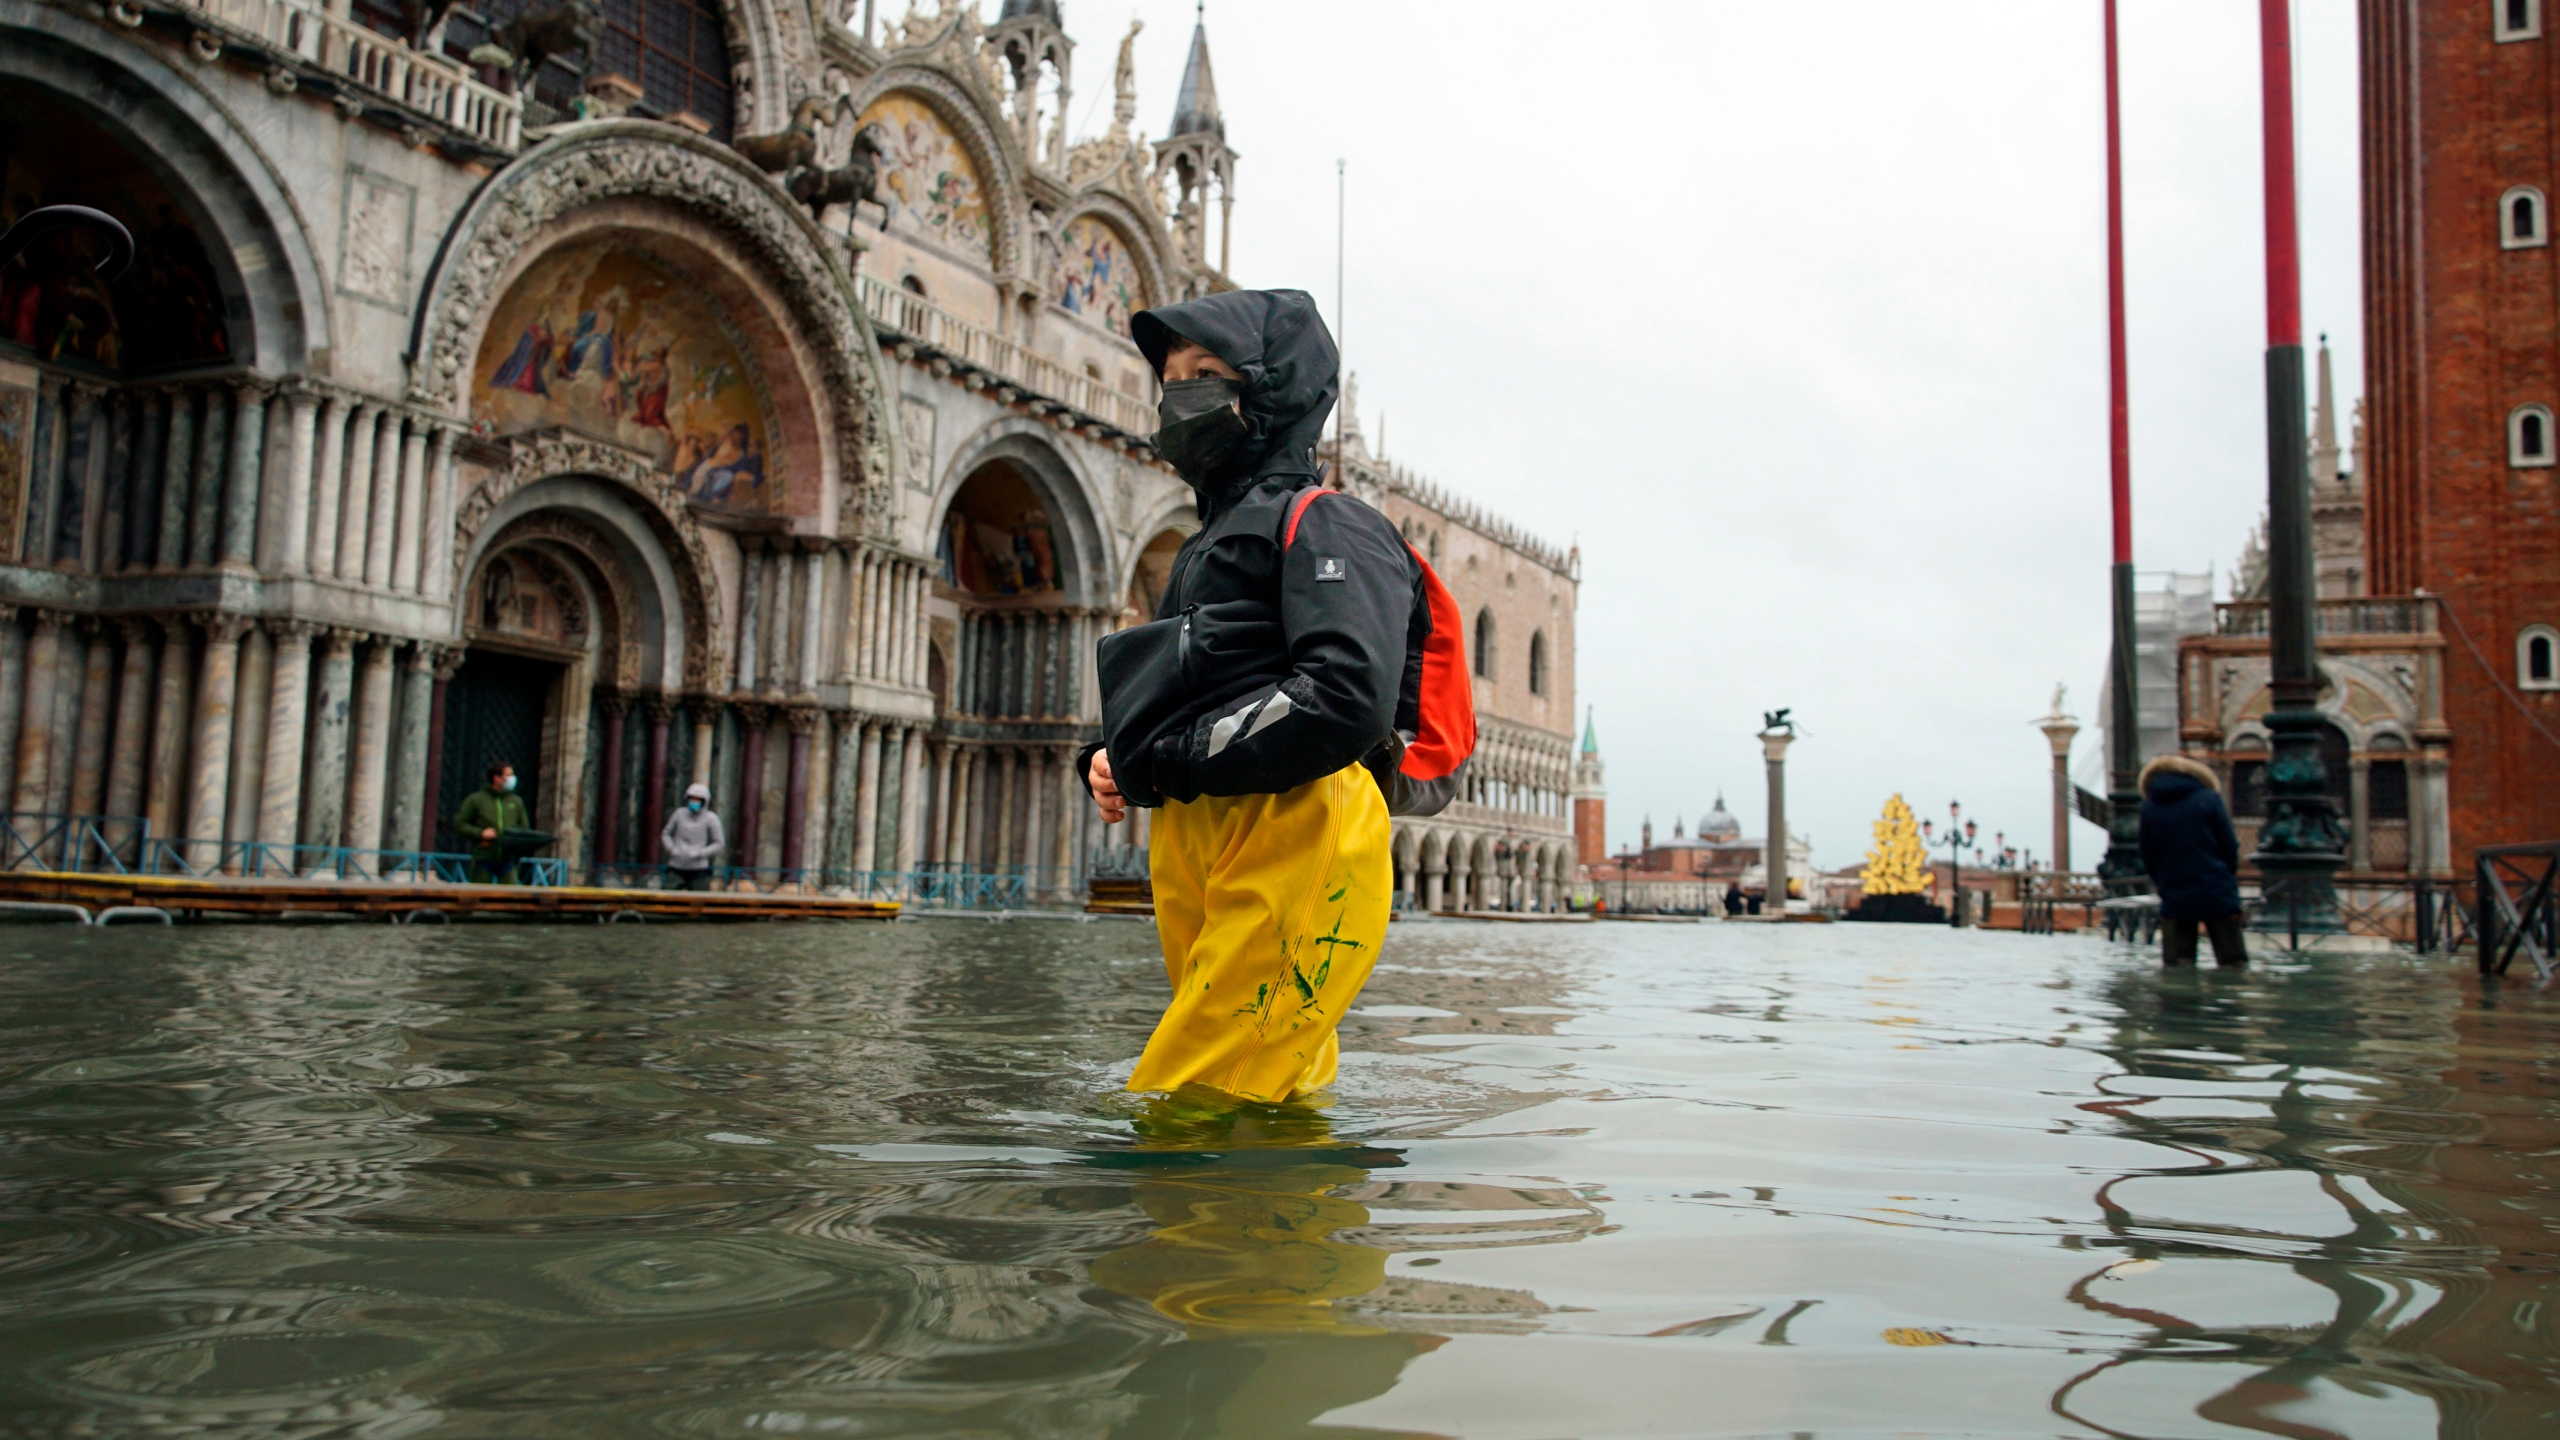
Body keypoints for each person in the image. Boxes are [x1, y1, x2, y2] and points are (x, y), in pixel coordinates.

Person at [1083, 288, 1468, 1104]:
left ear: (1271, 388)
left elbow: (1342, 698)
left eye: (1206, 373)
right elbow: (1188, 677)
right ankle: (1286, 1225)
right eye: (1171, 376)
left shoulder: (1331, 525)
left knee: (1192, 1099)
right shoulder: (1200, 548)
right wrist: (1111, 755)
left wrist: (1168, 761)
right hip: (1204, 832)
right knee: (1269, 1087)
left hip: (1297, 824)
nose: (1177, 394)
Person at [2138, 754, 2247, 967]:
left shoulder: (2150, 806)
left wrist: (2161, 880)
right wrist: (2227, 875)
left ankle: (2181, 999)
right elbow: (2229, 844)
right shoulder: (2209, 799)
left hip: (2173, 888)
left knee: (2178, 964)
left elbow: (2147, 853)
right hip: (2216, 886)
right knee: (2232, 961)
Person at [453, 761, 531, 883]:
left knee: (509, 896)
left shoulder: (516, 801)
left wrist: (514, 838)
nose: (512, 779)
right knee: (480, 894)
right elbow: (460, 824)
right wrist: (480, 833)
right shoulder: (476, 800)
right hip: (484, 857)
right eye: (508, 775)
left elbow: (524, 827)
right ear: (496, 778)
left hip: (508, 858)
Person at [660, 782, 725, 891]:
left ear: (705, 801)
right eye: (692, 799)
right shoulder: (679, 814)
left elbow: (719, 842)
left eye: (698, 800)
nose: (694, 802)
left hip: (699, 868)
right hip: (676, 865)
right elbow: (666, 833)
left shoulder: (711, 818)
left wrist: (701, 853)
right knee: (668, 895)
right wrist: (671, 849)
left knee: (699, 900)